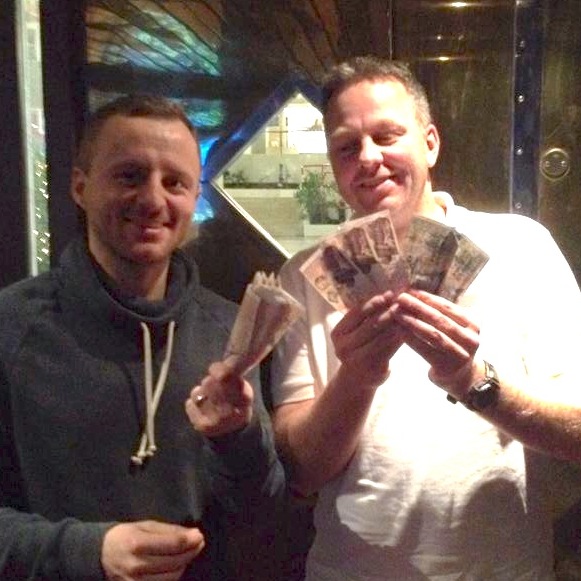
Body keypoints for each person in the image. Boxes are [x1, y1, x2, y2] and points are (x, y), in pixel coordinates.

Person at [270, 55, 581, 580]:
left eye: (387, 135)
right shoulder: (303, 275)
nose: (369, 157)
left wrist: (473, 382)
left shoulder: (522, 247)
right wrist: (358, 376)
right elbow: (301, 472)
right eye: (347, 146)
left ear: (430, 143)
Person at [0, 94, 286, 580]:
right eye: (130, 176)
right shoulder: (12, 327)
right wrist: (90, 551)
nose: (153, 200)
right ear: (80, 187)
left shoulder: (229, 331)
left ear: (194, 198)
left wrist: (237, 437)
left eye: (175, 183)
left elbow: (262, 510)